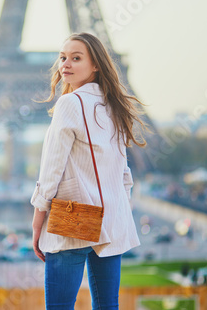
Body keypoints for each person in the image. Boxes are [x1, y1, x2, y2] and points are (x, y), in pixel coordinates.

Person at [30, 32, 149, 309]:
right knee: (108, 305)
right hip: (112, 218)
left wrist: (38, 221)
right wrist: (117, 210)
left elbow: (51, 171)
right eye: (62, 58)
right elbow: (124, 174)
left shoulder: (69, 103)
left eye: (76, 57)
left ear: (95, 64)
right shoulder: (114, 105)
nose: (66, 64)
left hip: (75, 219)